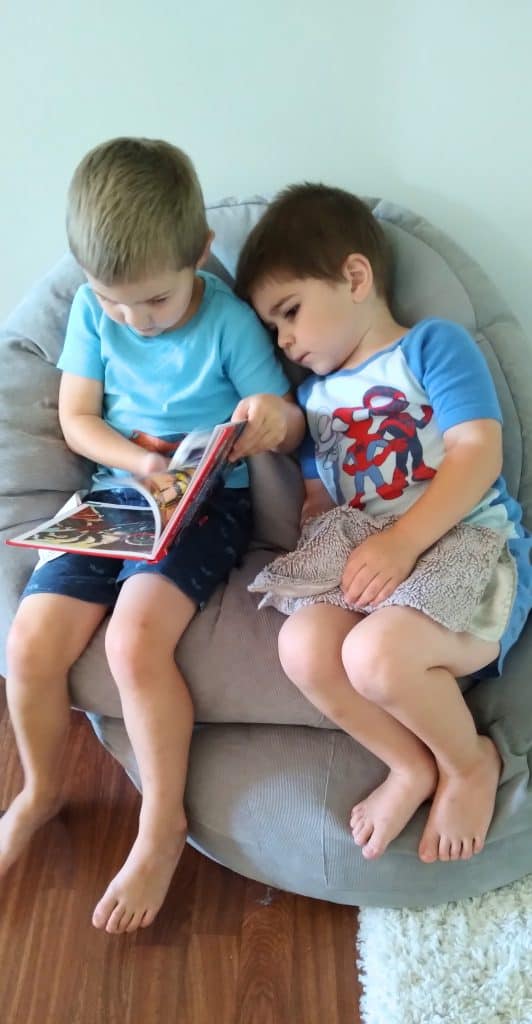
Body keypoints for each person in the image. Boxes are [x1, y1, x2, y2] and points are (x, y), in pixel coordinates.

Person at [1, 138, 305, 933]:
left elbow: (286, 419)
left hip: (207, 503)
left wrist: (272, 420)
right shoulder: (89, 314)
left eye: (156, 302)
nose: (134, 318)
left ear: (200, 257)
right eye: (113, 301)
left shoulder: (231, 323)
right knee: (29, 642)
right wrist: (136, 462)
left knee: (136, 643)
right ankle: (37, 790)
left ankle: (160, 823)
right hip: (118, 494)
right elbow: (77, 417)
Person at [235, 183, 532, 865]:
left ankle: (469, 764)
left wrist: (403, 540)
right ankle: (410, 764)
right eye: (272, 328)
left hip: (467, 544)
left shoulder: (433, 346)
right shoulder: (311, 401)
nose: (284, 339)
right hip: (373, 554)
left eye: (290, 312)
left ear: (355, 277)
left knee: (374, 658)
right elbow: (319, 491)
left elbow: (479, 452)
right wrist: (312, 501)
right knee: (303, 647)